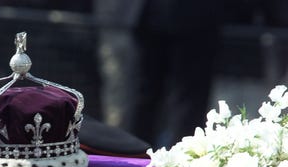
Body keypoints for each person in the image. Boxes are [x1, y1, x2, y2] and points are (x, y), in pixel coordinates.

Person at [95, 0, 223, 150]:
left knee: (181, 101)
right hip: (149, 16)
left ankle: (175, 161)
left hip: (188, 17)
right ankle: (138, 158)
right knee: (140, 98)